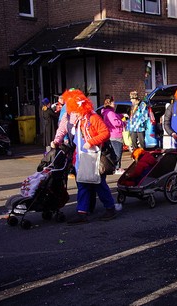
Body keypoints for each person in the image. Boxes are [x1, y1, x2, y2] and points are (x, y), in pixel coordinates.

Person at [51, 88, 117, 224]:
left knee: (99, 184)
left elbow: (105, 133)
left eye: (73, 109)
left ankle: (110, 208)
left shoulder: (92, 117)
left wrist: (91, 142)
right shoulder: (75, 119)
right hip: (81, 158)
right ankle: (82, 213)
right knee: (82, 185)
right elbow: (63, 128)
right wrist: (57, 141)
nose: (71, 113)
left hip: (94, 157)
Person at [101, 97, 126, 174]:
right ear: (110, 103)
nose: (114, 104)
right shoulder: (110, 113)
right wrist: (123, 123)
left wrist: (121, 115)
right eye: (113, 103)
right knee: (117, 152)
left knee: (114, 152)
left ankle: (115, 167)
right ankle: (117, 168)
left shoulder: (107, 112)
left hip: (112, 135)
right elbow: (115, 123)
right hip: (115, 134)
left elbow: (115, 117)